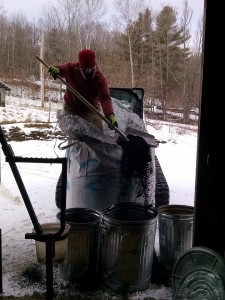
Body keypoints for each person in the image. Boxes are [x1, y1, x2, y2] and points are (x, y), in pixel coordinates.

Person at [48, 49, 117, 130]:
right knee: (74, 133)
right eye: (85, 69)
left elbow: (105, 98)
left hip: (90, 111)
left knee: (98, 134)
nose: (89, 72)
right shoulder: (70, 68)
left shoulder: (100, 79)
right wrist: (55, 69)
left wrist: (110, 114)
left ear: (94, 65)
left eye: (91, 68)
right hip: (71, 107)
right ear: (79, 67)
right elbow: (59, 69)